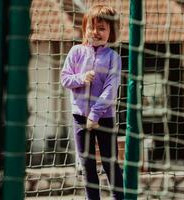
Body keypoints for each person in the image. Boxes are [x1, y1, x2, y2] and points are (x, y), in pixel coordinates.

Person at [60, 5, 123, 200]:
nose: (96, 32)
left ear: (111, 32)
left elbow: (111, 90)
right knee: (87, 165)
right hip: (79, 117)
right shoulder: (76, 52)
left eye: (102, 28)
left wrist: (95, 115)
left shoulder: (113, 57)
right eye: (91, 27)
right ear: (85, 28)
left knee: (109, 163)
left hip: (104, 118)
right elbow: (64, 79)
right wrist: (81, 78)